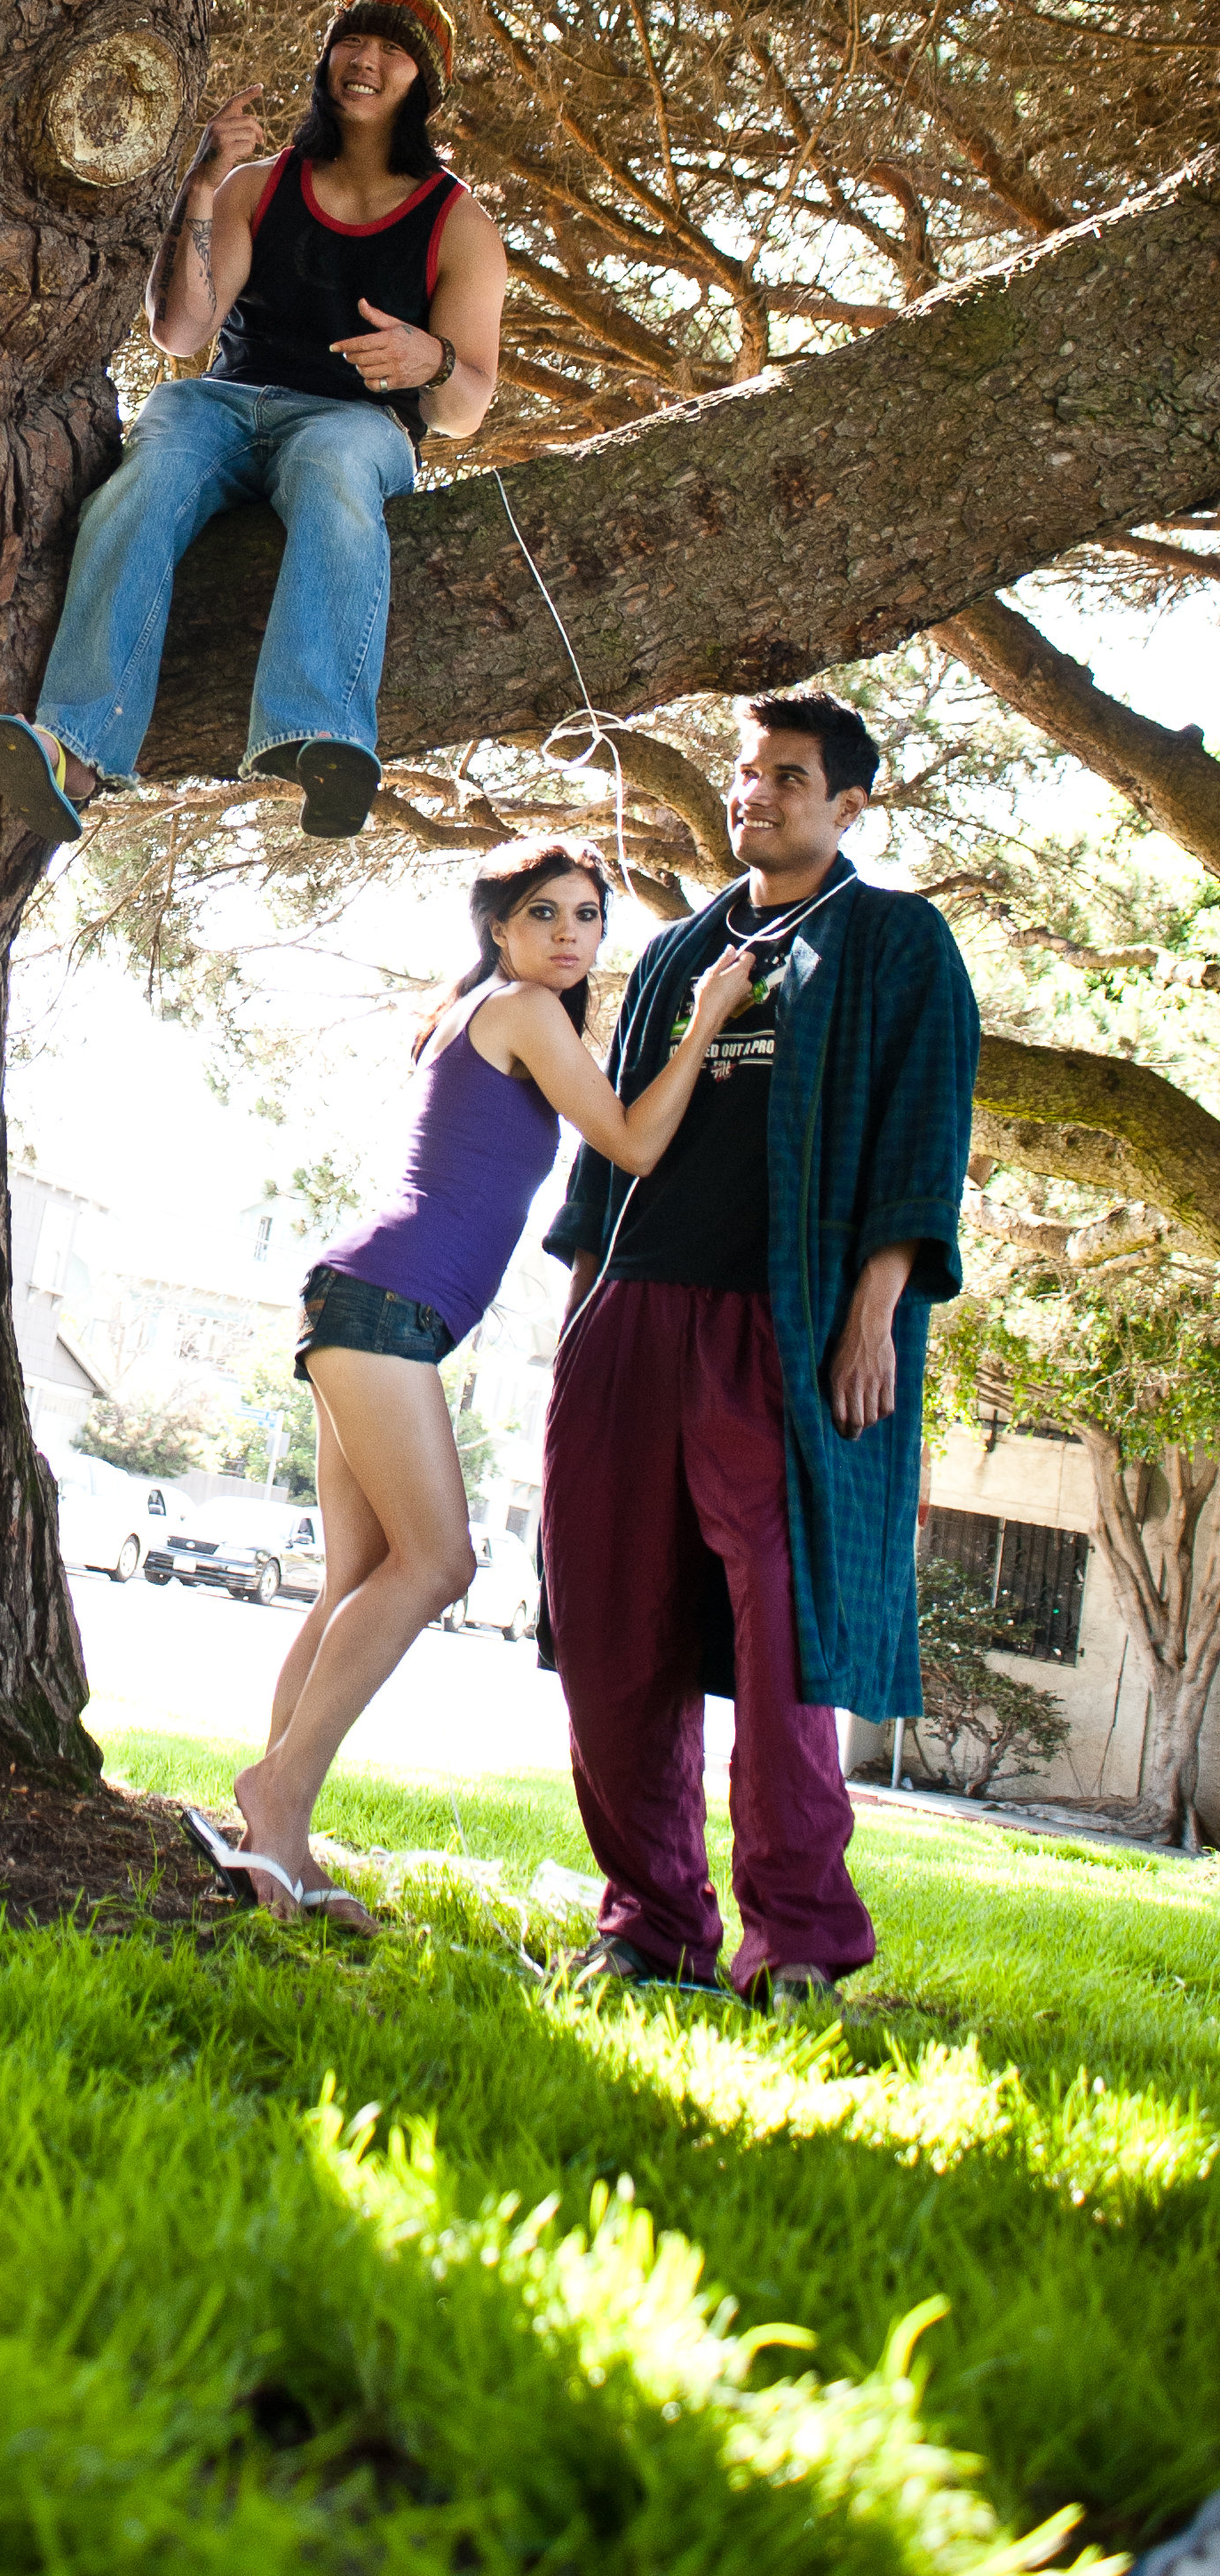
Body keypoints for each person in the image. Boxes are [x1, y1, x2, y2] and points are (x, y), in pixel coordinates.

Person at [183, 838, 755, 1926]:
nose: (570, 934)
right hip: (385, 1306)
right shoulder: (526, 1009)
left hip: (361, 1303)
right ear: (500, 926)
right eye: (545, 913)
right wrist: (709, 1021)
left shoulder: (480, 1008)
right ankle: (278, 1795)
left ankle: (273, 1845)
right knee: (438, 1562)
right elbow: (632, 1142)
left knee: (356, 1570)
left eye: (587, 915)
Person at [540, 693, 980, 2009]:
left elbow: (925, 1133)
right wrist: (575, 1326)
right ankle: (652, 1924)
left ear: (849, 805)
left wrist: (875, 1309)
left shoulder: (898, 944)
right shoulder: (679, 951)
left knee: (786, 1632)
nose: (758, 792)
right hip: (633, 1315)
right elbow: (609, 1142)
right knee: (617, 1622)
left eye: (789, 776)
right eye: (747, 772)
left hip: (783, 1326)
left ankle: (796, 1938)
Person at [0, 0, 506, 847]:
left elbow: (464, 409)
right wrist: (205, 183)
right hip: (226, 404)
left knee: (333, 468)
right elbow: (182, 331)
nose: (365, 61)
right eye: (351, 42)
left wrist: (430, 360)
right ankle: (71, 751)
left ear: (423, 80)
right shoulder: (263, 186)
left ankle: (323, 737)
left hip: (356, 425)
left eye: (393, 51)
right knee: (143, 480)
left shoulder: (460, 221)